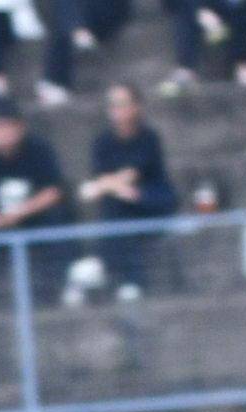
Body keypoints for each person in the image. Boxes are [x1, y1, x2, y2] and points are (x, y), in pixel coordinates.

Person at [0, 102, 69, 299]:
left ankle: (64, 282)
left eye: (6, 126)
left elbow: (53, 191)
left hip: (32, 217)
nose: (2, 133)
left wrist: (17, 214)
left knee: (59, 217)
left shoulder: (39, 150)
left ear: (20, 127)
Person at [68, 82, 170, 298]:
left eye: (123, 103)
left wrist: (101, 186)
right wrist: (108, 186)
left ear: (136, 107)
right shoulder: (103, 142)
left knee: (124, 199)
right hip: (120, 205)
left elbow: (132, 173)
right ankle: (123, 278)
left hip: (151, 200)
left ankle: (102, 265)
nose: (117, 109)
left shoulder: (148, 138)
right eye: (113, 104)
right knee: (117, 205)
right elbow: (103, 176)